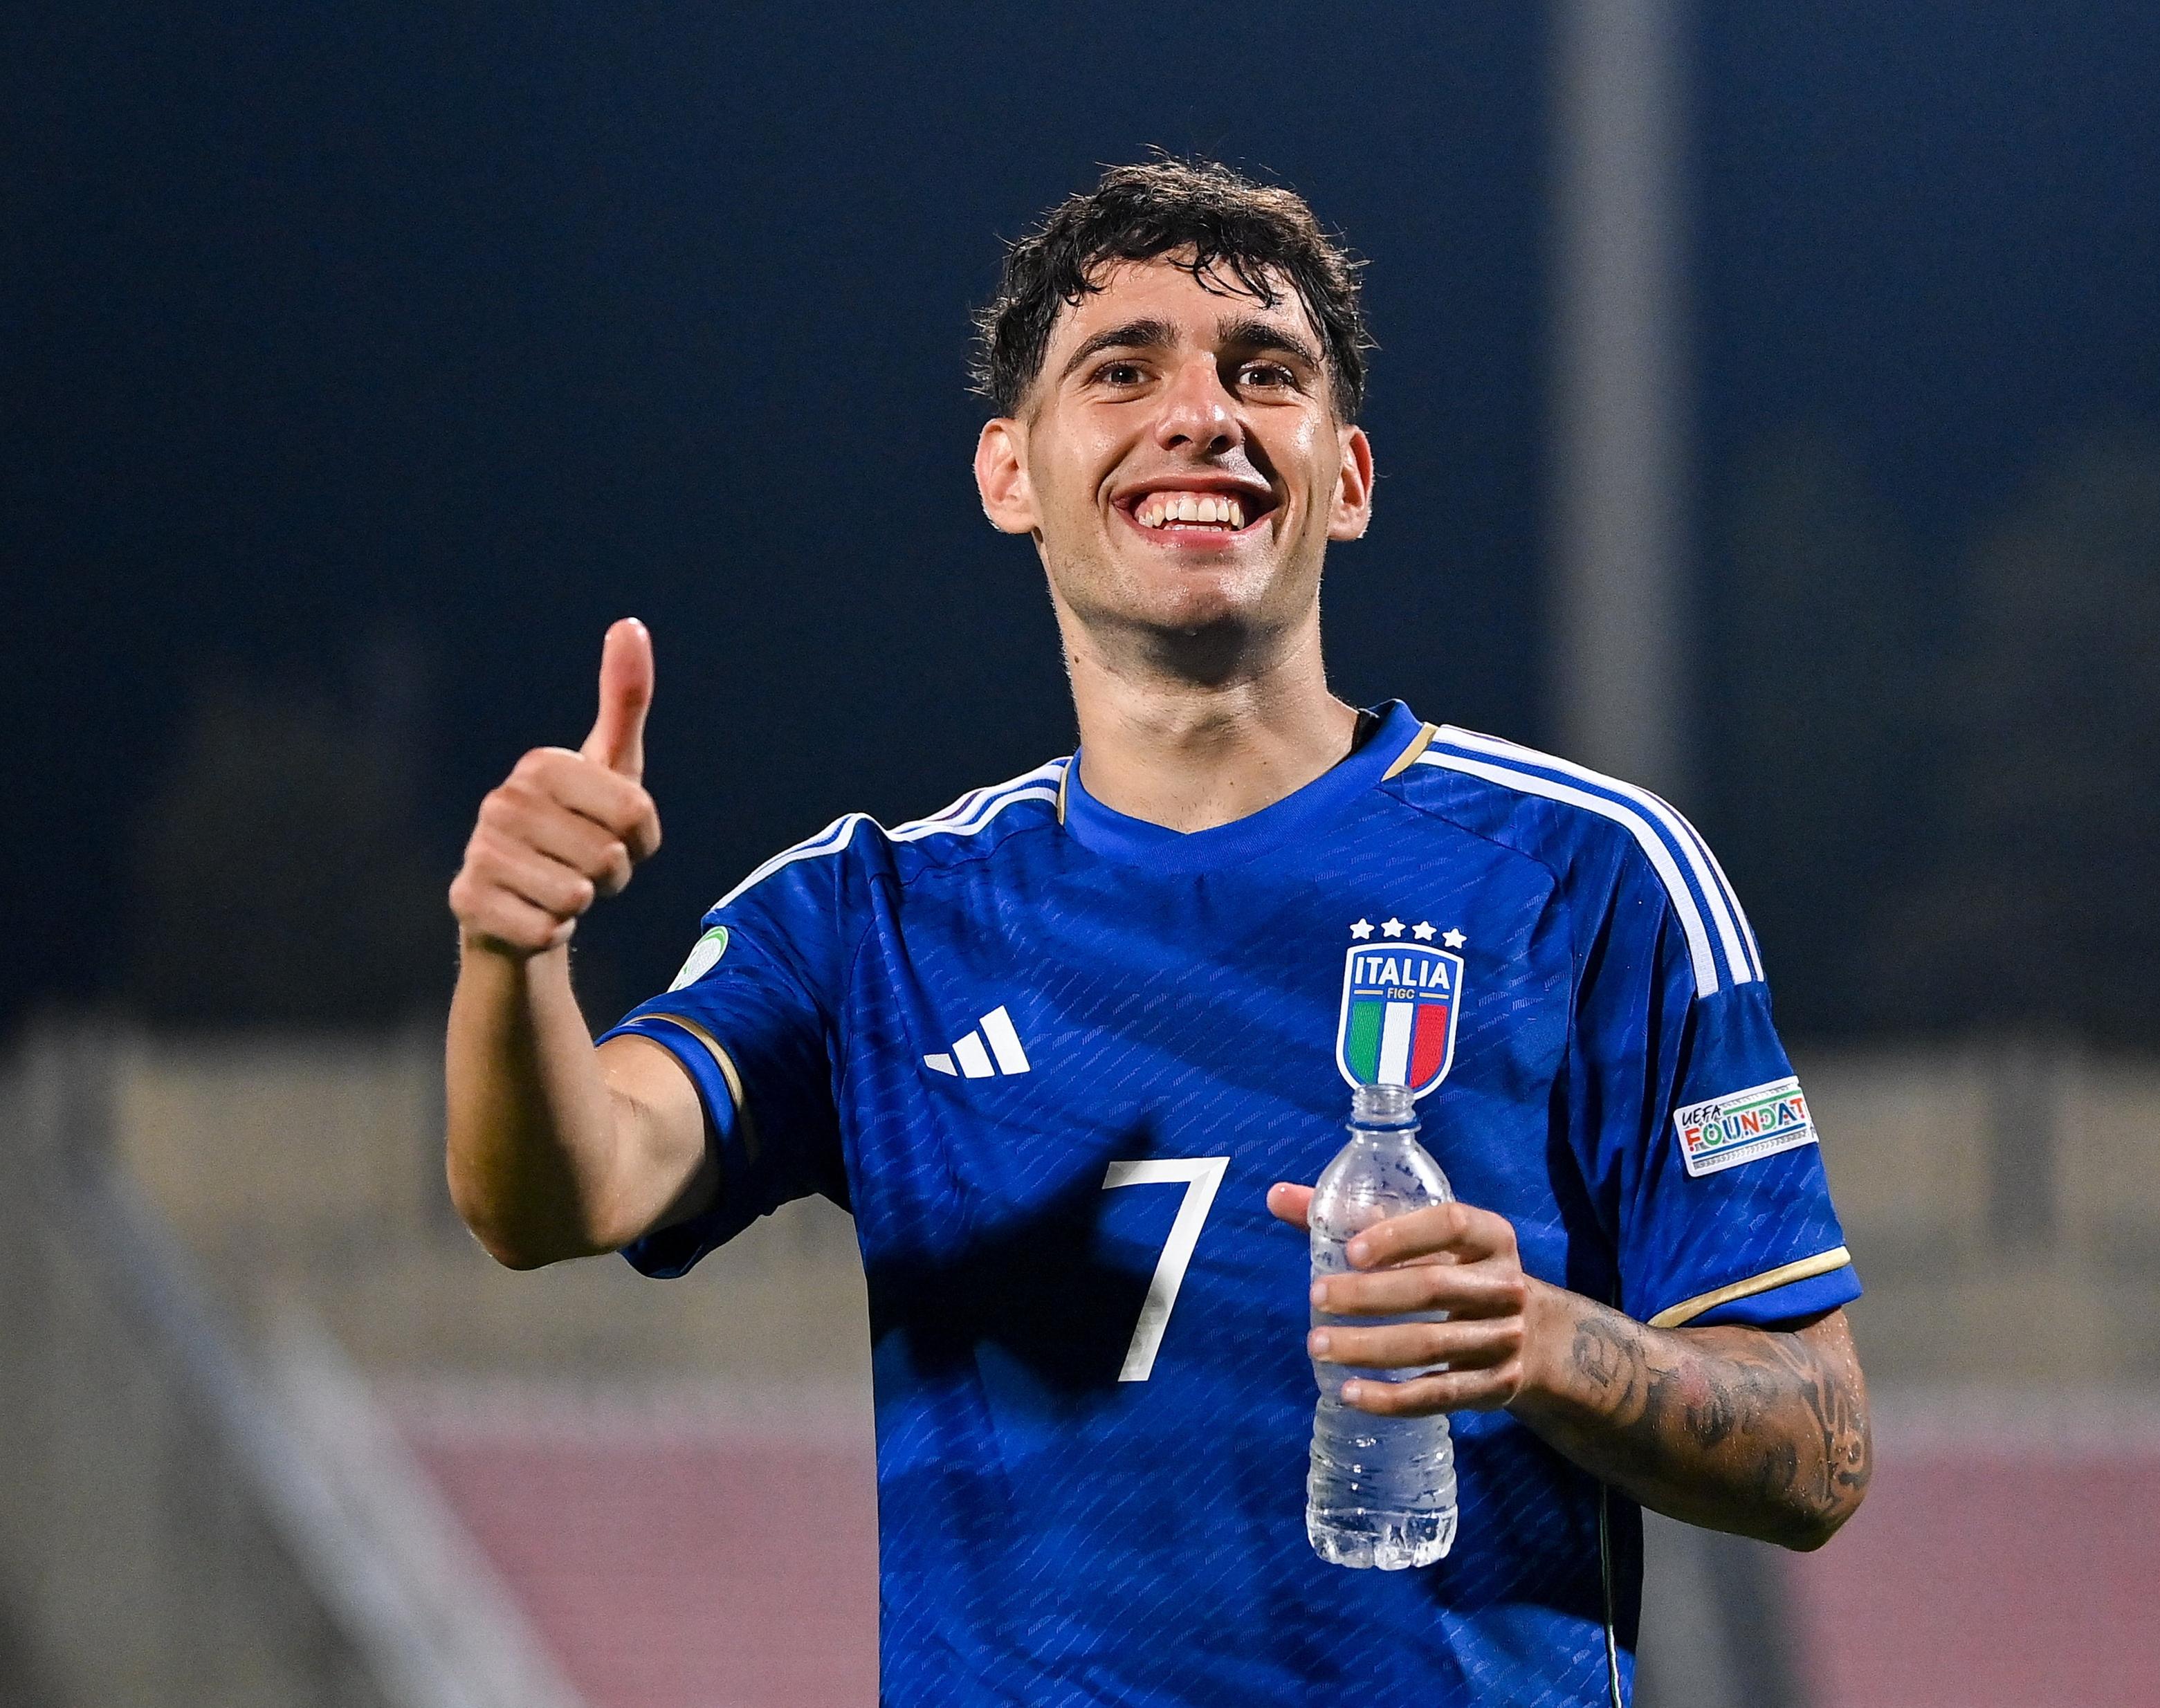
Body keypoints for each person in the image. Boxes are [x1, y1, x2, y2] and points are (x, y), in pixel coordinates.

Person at [445, 159, 1870, 1706]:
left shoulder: (1590, 877)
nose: (1202, 414)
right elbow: (560, 1191)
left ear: (1347, 478)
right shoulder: (871, 917)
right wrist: (512, 961)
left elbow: (1817, 1441)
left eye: (1265, 373)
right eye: (1122, 370)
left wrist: (1537, 1341)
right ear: (1009, 473)